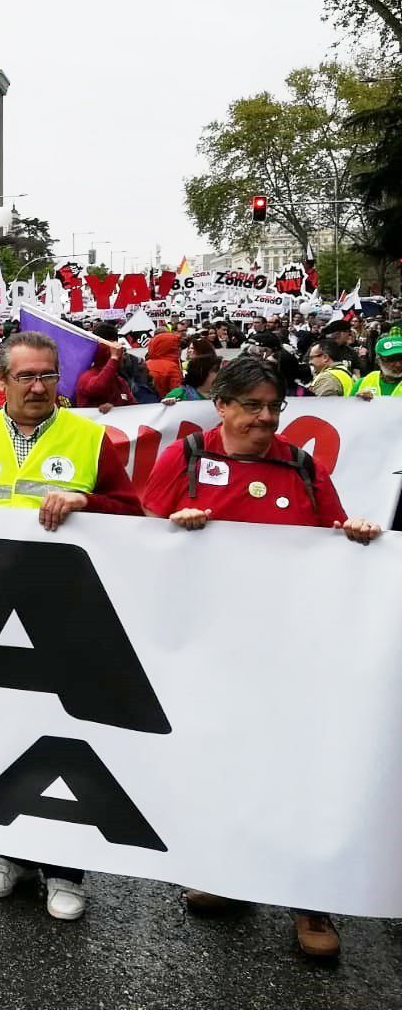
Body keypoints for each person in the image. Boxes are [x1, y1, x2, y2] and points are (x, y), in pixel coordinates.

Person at [142, 355, 380, 960]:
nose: (265, 417)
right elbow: (141, 539)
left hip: (293, 651)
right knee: (224, 762)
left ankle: (310, 903)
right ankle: (231, 877)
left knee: (298, 770)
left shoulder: (302, 465)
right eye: (252, 405)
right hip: (213, 651)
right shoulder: (186, 458)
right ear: (221, 405)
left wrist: (355, 539)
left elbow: (334, 536)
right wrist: (174, 527)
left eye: (274, 406)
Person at [0, 330, 142, 922]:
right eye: (26, 376)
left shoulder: (91, 438)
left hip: (66, 609)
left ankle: (66, 867)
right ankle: (4, 852)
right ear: (2, 381)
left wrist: (85, 502)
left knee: (68, 737)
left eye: (49, 375)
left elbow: (134, 511)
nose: (40, 385)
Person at [354, 329, 402, 398]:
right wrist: (356, 402)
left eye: (401, 358)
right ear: (378, 361)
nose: (398, 364)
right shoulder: (362, 383)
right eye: (391, 359)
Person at [143, 331, 184, 397]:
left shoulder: (145, 364)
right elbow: (178, 391)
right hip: (166, 403)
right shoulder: (172, 366)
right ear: (171, 348)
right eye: (177, 346)